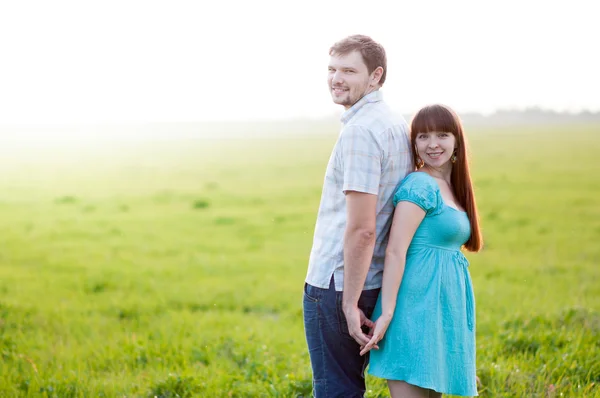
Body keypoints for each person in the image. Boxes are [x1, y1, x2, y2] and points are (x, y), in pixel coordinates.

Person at [302, 34, 413, 397]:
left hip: (339, 284)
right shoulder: (392, 120)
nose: (336, 78)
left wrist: (349, 303)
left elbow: (363, 228)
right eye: (332, 69)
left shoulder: (362, 132)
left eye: (349, 70)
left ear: (375, 76)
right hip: (375, 278)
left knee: (337, 390)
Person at [361, 104, 484, 397]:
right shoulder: (419, 185)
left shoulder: (450, 186)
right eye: (423, 136)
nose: (432, 145)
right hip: (413, 311)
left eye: (442, 135)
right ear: (413, 143)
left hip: (442, 313)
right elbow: (395, 251)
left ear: (457, 141)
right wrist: (388, 312)